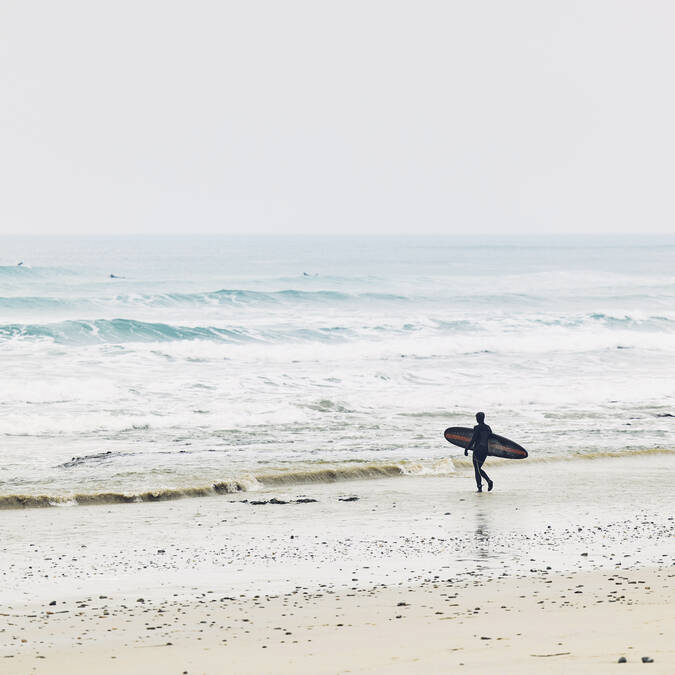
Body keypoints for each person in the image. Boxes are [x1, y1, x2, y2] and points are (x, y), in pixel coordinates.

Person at [465, 412, 494, 492]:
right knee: (478, 468)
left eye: (477, 417)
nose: (476, 419)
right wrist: (491, 451)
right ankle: (488, 481)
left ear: (478, 418)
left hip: (478, 449)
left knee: (477, 469)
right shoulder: (488, 427)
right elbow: (491, 439)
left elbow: (473, 439)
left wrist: (466, 448)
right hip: (485, 450)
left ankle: (480, 487)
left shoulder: (477, 427)